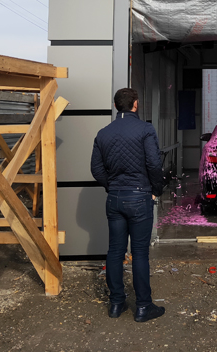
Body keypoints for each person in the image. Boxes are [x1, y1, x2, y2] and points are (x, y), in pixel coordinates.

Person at [91, 88, 165, 322]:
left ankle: (116, 304)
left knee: (115, 251)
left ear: (116, 107)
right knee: (140, 253)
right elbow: (154, 164)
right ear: (135, 104)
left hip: (114, 199)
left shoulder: (103, 133)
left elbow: (96, 169)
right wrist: (156, 189)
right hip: (139, 197)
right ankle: (143, 306)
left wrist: (111, 187)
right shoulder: (145, 130)